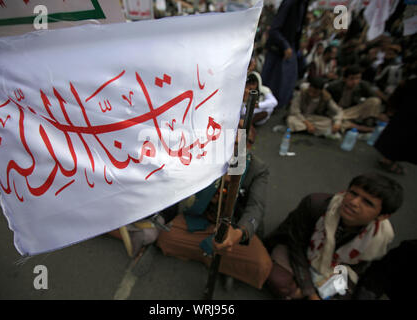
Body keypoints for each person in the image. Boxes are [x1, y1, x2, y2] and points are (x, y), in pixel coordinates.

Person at [156, 124, 272, 290]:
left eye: (245, 143)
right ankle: (221, 263)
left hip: (232, 229)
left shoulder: (257, 169)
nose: (237, 148)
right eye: (233, 142)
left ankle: (216, 257)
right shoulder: (208, 155)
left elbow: (256, 207)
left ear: (250, 146)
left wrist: (238, 234)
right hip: (201, 221)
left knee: (262, 265)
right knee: (166, 237)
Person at [264, 173, 403, 300]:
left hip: (334, 266)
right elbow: (296, 245)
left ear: (383, 216)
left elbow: (358, 265)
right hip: (297, 252)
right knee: (281, 282)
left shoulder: (380, 236)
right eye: (353, 193)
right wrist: (310, 292)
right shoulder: (315, 204)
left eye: (367, 202)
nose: (353, 202)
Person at [260, 0, 310, 109]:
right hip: (278, 48)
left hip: (290, 47)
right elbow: (274, 30)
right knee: (270, 83)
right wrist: (285, 46)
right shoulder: (289, 3)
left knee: (287, 81)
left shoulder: (303, 4)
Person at [374, 50, 417, 175]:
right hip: (408, 111)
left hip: (407, 110)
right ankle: (388, 159)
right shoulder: (409, 79)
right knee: (401, 132)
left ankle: (390, 158)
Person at [326, 65, 384, 133]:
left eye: (358, 78)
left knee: (375, 101)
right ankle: (362, 128)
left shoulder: (362, 85)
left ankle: (359, 125)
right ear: (344, 79)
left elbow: (374, 98)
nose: (355, 82)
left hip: (353, 111)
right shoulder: (334, 86)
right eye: (352, 79)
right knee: (333, 122)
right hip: (337, 111)